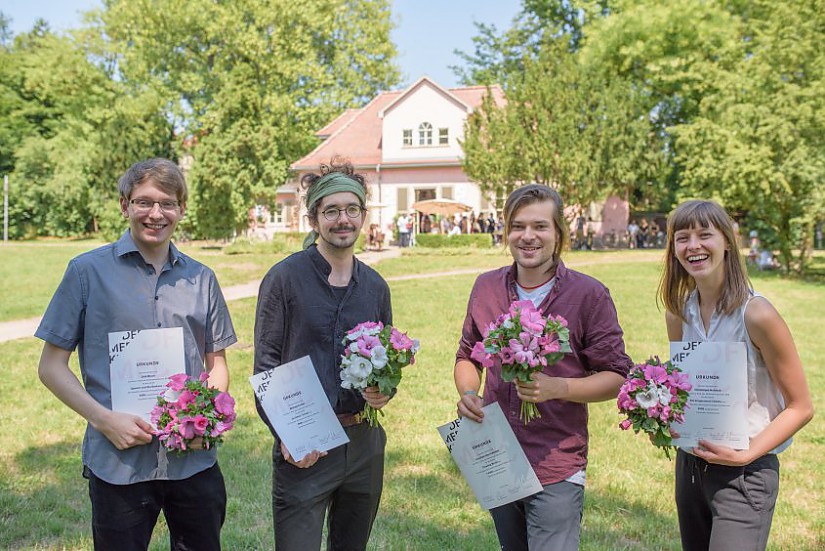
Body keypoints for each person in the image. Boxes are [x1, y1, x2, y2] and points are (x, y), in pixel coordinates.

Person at [36, 158, 237, 550]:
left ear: (181, 209)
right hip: (118, 463)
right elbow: (50, 366)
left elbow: (217, 364)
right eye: (144, 202)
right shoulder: (85, 273)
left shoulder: (202, 278)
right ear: (124, 205)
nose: (156, 213)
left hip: (192, 463)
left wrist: (207, 423)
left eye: (168, 203)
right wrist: (103, 420)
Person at [454, 184, 632, 550]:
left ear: (559, 234)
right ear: (506, 232)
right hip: (498, 452)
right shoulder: (486, 287)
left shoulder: (588, 294)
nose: (528, 236)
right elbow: (469, 355)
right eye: (518, 226)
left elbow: (617, 376)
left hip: (556, 461)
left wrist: (558, 388)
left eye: (540, 226)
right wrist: (469, 393)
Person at [254, 157, 393, 550]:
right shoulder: (284, 279)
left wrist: (385, 392)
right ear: (313, 219)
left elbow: (386, 364)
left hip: (364, 443)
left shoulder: (376, 287)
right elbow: (265, 368)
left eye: (351, 209)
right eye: (331, 210)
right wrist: (285, 434)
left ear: (363, 216)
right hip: (306, 446)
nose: (342, 219)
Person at [658, 200, 813, 551]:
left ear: (727, 241)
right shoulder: (678, 314)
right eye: (682, 237)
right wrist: (665, 414)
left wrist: (745, 455)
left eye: (704, 234)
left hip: (746, 472)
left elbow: (801, 407)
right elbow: (686, 389)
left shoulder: (757, 314)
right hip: (691, 467)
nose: (692, 245)